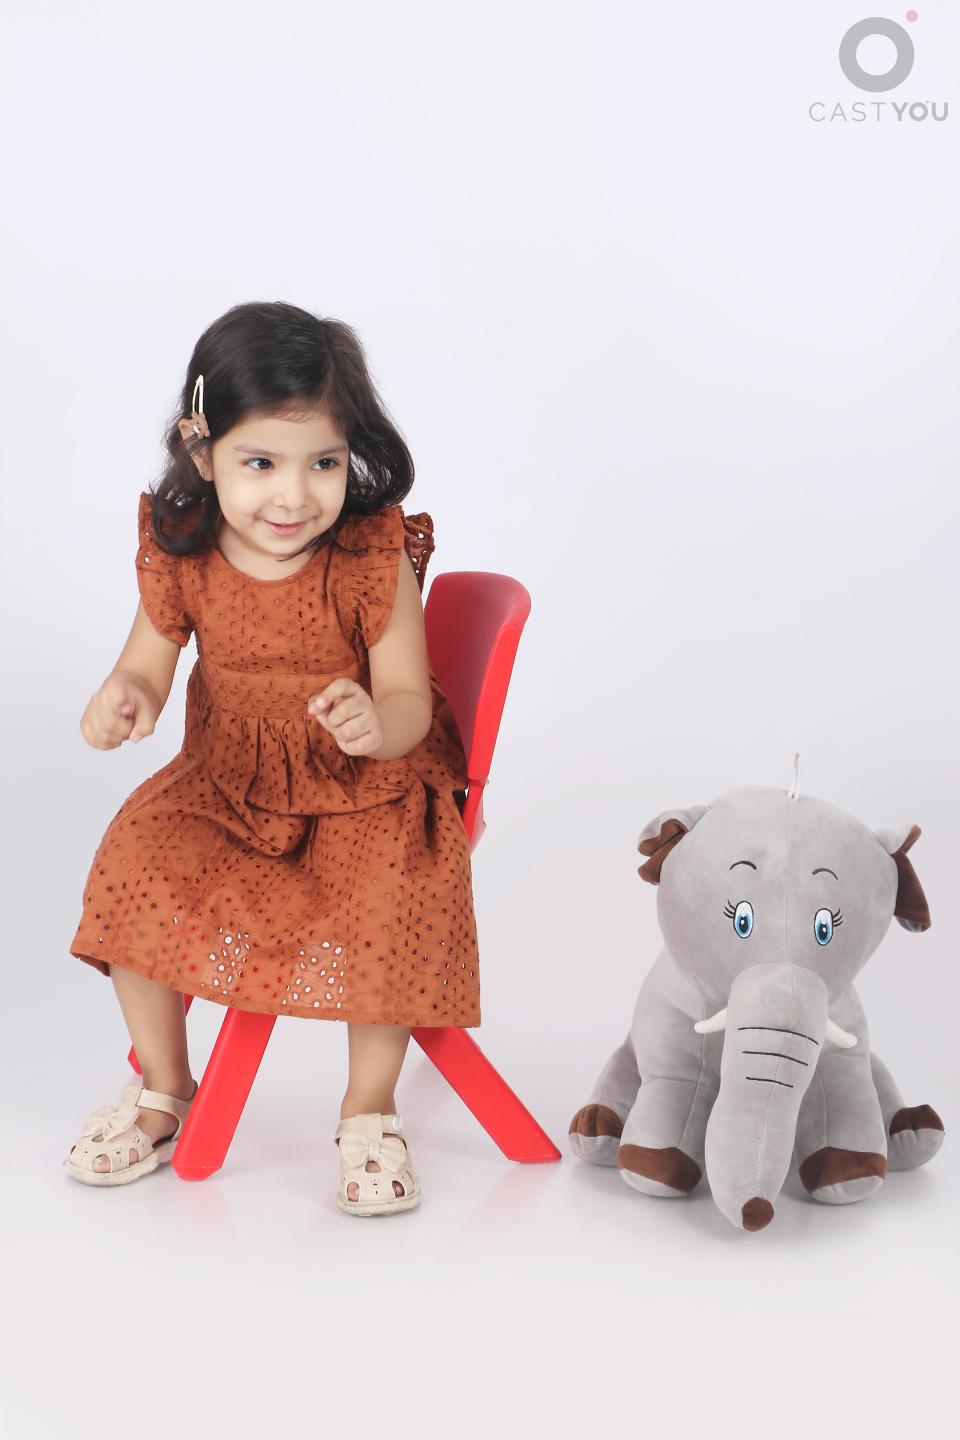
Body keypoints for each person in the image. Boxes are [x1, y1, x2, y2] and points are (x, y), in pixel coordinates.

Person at [65, 300, 481, 1214]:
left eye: (322, 463)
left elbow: (408, 698)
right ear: (201, 448)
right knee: (135, 859)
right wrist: (125, 695)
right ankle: (164, 1088)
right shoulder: (183, 548)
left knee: (392, 898)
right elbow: (146, 663)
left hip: (368, 791)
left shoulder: (368, 557)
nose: (294, 497)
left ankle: (369, 1110)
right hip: (228, 783)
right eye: (261, 463)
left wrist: (377, 722)